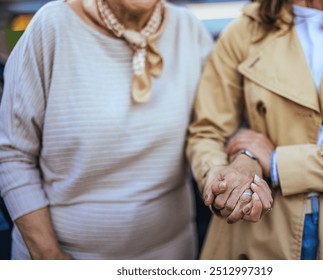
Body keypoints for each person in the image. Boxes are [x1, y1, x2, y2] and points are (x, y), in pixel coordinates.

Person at [0, 0, 214, 259]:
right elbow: (11, 153)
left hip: (171, 254)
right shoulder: (52, 25)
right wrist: (49, 255)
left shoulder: (188, 27)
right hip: (63, 257)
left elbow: (212, 130)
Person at [187, 0, 323, 259]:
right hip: (261, 226)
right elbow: (208, 133)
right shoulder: (243, 32)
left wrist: (277, 164)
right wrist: (221, 180)